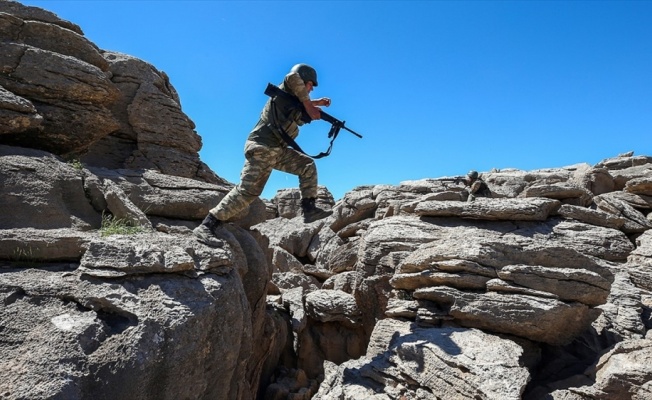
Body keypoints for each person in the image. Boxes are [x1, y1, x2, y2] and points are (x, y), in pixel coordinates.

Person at [194, 63, 333, 245]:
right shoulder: (288, 87)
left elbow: (299, 107)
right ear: (304, 79)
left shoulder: (294, 103)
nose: (312, 88)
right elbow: (292, 77)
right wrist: (309, 105)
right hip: (262, 147)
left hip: (277, 151)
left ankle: (309, 209)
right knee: (248, 191)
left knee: (307, 165)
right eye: (310, 84)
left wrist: (315, 105)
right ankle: (207, 226)